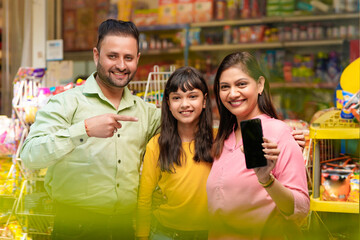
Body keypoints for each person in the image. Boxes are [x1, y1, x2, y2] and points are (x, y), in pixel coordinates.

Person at [20, 19, 160, 240]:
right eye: (112, 56)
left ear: (137, 59)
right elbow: (29, 156)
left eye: (129, 58)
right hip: (74, 228)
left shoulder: (146, 112)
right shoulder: (65, 103)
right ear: (96, 55)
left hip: (125, 228)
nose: (121, 65)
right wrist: (83, 130)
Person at [206, 51, 310, 239]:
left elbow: (300, 209)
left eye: (241, 84)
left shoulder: (278, 133)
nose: (232, 93)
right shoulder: (224, 138)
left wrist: (267, 180)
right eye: (224, 87)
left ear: (260, 84)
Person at [135, 66, 213, 240]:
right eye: (177, 98)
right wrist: (141, 236)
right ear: (168, 104)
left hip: (209, 233)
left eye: (193, 96)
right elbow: (144, 199)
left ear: (204, 100)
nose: (185, 104)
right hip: (164, 233)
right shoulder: (156, 145)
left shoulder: (219, 141)